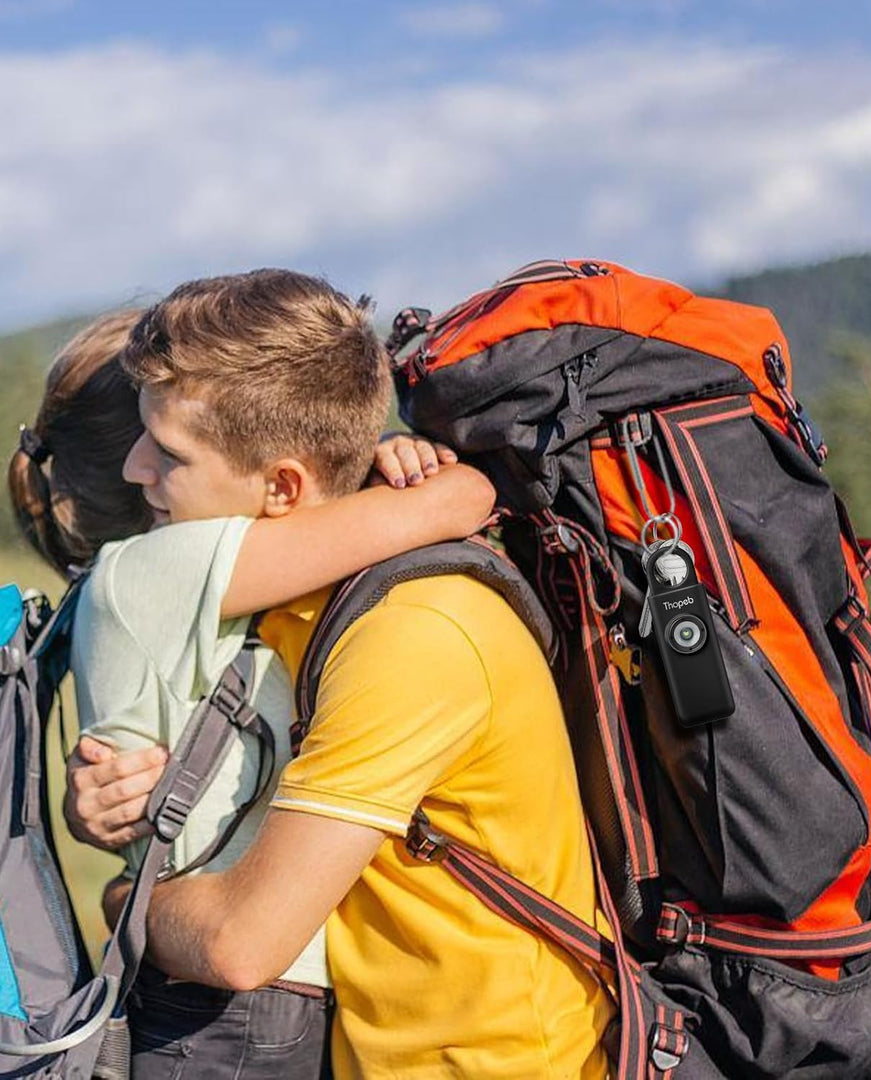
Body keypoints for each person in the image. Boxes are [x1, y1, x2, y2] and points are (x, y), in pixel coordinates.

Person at [68, 268, 616, 1080]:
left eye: (171, 455)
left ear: (283, 486)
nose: (134, 470)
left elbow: (238, 943)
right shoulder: (288, 594)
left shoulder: (414, 630)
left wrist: (126, 901)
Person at [8, 295, 497, 1079]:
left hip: (242, 988)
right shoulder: (147, 572)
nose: (150, 460)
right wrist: (404, 461)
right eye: (164, 444)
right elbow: (460, 503)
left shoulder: (189, 588)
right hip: (231, 999)